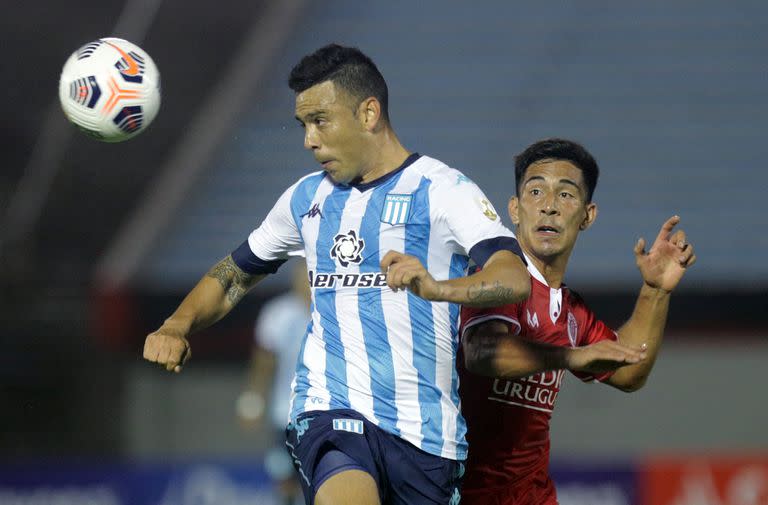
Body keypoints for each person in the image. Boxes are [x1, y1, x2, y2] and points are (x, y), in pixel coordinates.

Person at [143, 43, 535, 505]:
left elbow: (514, 277)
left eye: (320, 121)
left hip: (427, 436)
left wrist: (437, 288)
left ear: (369, 113)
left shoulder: (443, 190)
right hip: (329, 412)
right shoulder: (305, 199)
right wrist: (177, 323)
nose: (309, 139)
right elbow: (235, 274)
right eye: (304, 125)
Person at [457, 138, 697, 505]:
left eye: (566, 195)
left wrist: (654, 291)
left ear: (588, 215)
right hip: (460, 494)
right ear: (515, 209)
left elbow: (629, 370)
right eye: (535, 191)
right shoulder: (497, 275)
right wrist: (569, 356)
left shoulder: (570, 311)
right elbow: (482, 352)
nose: (549, 207)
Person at [237, 260, 310, 505]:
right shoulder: (278, 313)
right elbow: (264, 361)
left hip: (326, 411)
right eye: (301, 275)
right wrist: (253, 397)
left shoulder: (334, 312)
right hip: (284, 414)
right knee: (284, 478)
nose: (305, 282)